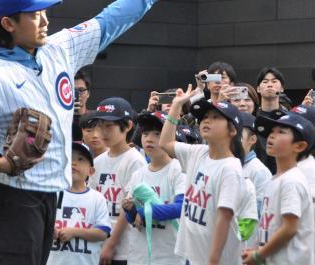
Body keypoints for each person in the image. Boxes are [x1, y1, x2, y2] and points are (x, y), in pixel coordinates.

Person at [0, 0, 199, 265]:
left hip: (48, 196)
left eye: (45, 11)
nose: (45, 20)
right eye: (35, 14)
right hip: (8, 198)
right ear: (9, 23)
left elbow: (108, 22)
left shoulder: (58, 48)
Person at [159, 86, 246, 265]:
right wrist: (176, 106)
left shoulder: (230, 168)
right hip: (192, 256)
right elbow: (166, 142)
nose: (207, 121)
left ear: (232, 130)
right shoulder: (198, 152)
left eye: (216, 118)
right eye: (205, 117)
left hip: (216, 260)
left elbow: (224, 217)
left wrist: (213, 261)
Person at [242, 113, 315, 265]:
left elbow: (290, 228)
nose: (272, 136)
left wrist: (258, 255)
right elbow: (268, 224)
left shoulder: (292, 181)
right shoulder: (277, 178)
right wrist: (256, 249)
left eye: (281, 132)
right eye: (272, 131)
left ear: (299, 146)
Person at [88, 97, 147, 265]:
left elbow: (128, 207)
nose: (102, 132)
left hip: (123, 249)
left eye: (109, 126)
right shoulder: (98, 161)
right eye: (100, 125)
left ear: (128, 126)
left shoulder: (135, 160)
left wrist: (112, 244)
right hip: (98, 242)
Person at [122, 111, 186, 265]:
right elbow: (133, 221)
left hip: (170, 257)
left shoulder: (178, 169)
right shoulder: (138, 174)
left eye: (157, 134)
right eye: (145, 133)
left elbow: (181, 207)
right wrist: (129, 210)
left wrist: (143, 212)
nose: (149, 139)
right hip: (140, 257)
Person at [47, 142, 111, 265]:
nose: (73, 163)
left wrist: (74, 232)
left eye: (80, 159)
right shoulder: (52, 194)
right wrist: (50, 229)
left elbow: (103, 233)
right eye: (69, 158)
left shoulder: (97, 198)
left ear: (91, 171)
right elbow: (40, 224)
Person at [255, 67, 287, 174]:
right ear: (258, 89)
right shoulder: (252, 117)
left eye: (274, 81)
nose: (270, 85)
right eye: (265, 82)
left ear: (282, 88)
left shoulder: (288, 119)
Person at [239, 112, 272, 215]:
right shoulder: (225, 163)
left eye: (238, 135)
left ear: (252, 139)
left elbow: (261, 212)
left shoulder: (259, 171)